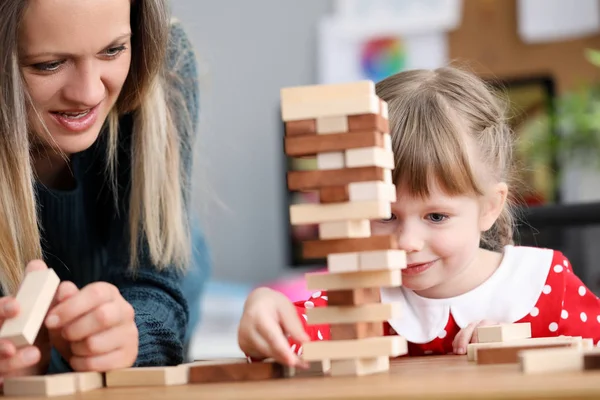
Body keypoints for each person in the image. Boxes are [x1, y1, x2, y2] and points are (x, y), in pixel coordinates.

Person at [237, 66, 600, 368]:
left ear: (489, 207)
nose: (407, 242)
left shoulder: (544, 288)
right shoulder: (363, 298)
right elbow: (290, 341)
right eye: (384, 214)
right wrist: (265, 310)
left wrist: (532, 347)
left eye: (437, 216)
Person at [0, 0, 203, 377]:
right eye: (49, 64)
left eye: (113, 50)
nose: (89, 93)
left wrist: (133, 335)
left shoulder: (165, 65)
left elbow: (157, 285)